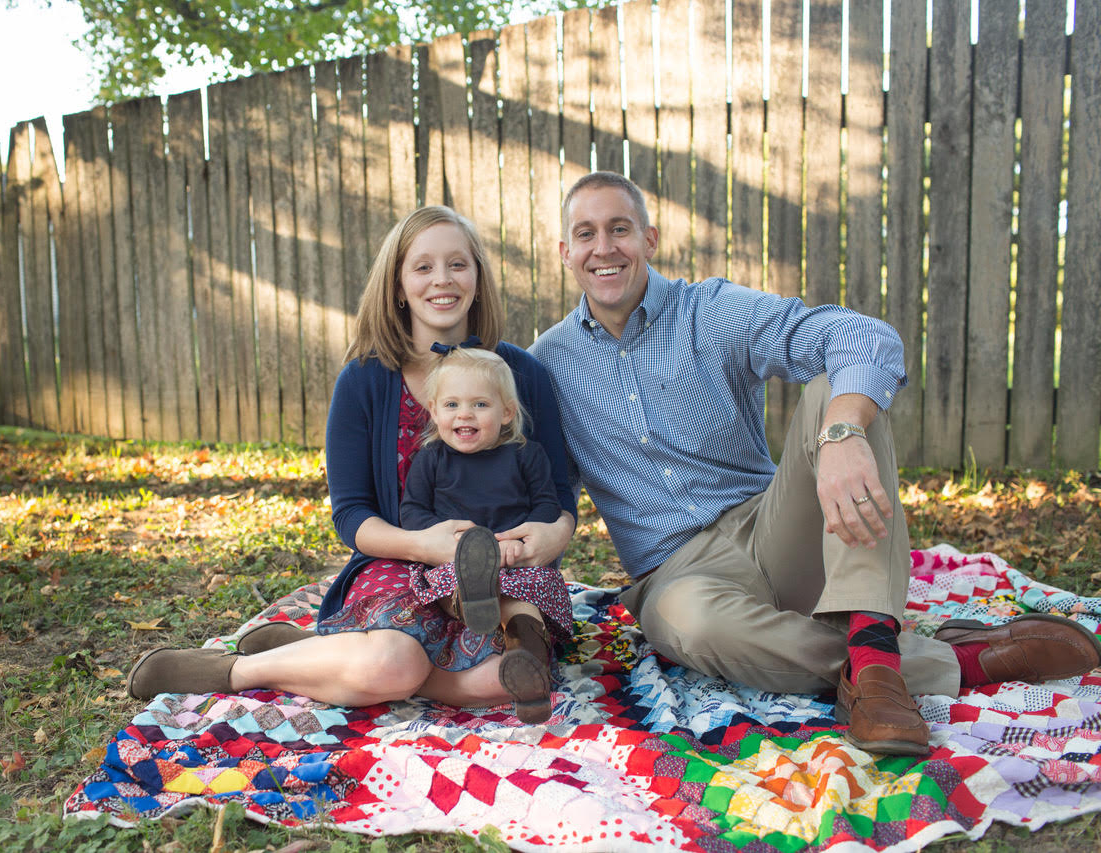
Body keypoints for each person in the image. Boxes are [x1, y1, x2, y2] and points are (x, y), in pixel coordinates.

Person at [528, 170, 1101, 755]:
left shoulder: (711, 310)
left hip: (772, 529)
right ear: (565, 252)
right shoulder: (546, 366)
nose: (604, 248)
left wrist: (841, 435)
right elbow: (538, 488)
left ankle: (874, 645)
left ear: (649, 240)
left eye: (619, 229)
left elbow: (861, 336)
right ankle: (926, 664)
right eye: (586, 233)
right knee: (688, 625)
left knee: (838, 388)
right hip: (677, 573)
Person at [127, 205, 577, 722]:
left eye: (458, 264)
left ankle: (320, 652)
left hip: (501, 575)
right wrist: (423, 545)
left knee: (504, 677)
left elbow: (559, 496)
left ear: (478, 276)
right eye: (423, 267)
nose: (442, 280)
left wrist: (554, 535)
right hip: (399, 561)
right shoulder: (365, 380)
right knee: (393, 664)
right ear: (398, 285)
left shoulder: (522, 374)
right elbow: (351, 514)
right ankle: (237, 669)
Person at [392, 346, 573, 722]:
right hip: (454, 560)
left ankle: (528, 664)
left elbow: (545, 506)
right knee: (449, 576)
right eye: (452, 404)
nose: (464, 415)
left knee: (531, 591)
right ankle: (472, 600)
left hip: (514, 561)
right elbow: (411, 511)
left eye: (479, 405)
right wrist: (440, 538)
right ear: (434, 410)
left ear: (506, 412)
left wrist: (519, 542)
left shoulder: (526, 455)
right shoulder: (431, 458)